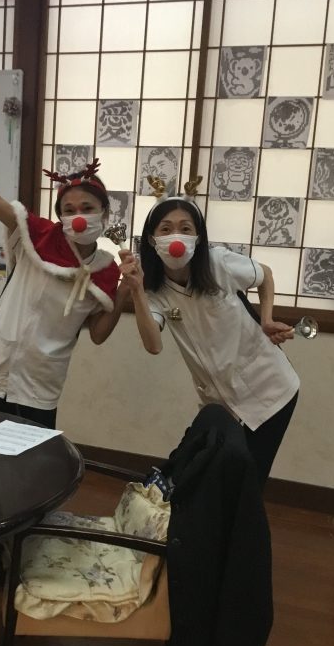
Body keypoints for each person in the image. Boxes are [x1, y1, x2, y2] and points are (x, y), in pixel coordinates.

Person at [0, 121, 126, 428]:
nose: (78, 217)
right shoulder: (37, 236)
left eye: (87, 208)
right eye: (69, 210)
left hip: (42, 380)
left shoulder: (106, 270)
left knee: (34, 451)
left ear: (104, 213)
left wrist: (126, 290)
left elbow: (98, 334)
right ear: (60, 216)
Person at [119, 190, 299, 486]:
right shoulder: (154, 290)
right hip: (218, 402)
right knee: (205, 476)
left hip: (270, 387)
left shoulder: (219, 263)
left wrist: (266, 319)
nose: (176, 237)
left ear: (198, 237)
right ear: (151, 239)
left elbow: (264, 274)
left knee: (246, 483)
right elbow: (153, 345)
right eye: (166, 229)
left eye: (185, 228)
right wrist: (136, 291)